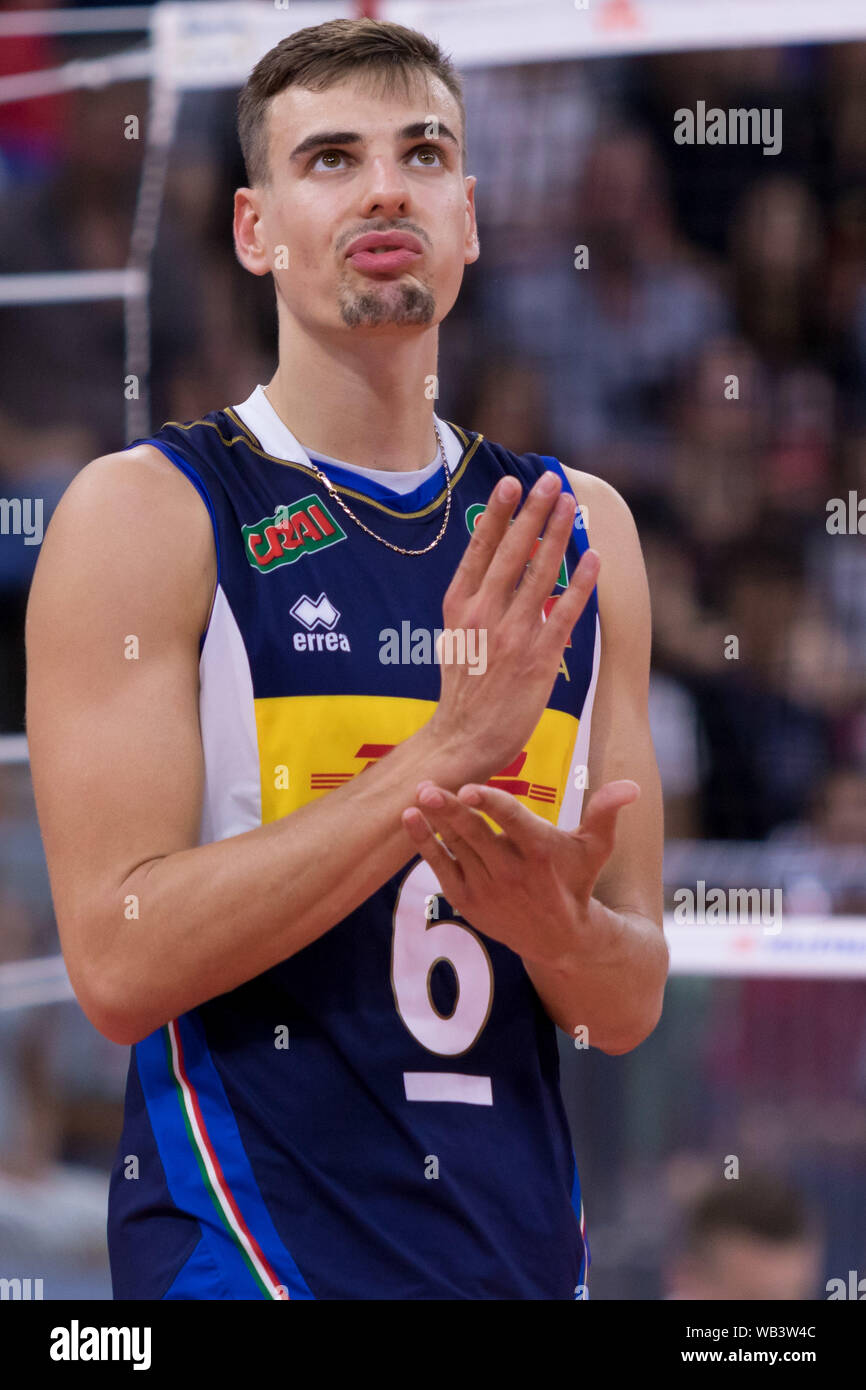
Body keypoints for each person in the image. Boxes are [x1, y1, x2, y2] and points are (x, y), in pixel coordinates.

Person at [25, 17, 667, 1300]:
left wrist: (560, 931)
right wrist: (445, 754)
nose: (385, 185)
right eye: (330, 158)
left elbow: (622, 1002)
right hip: (247, 1265)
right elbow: (114, 960)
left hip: (519, 1264)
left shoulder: (579, 526)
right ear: (255, 230)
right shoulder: (147, 513)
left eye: (422, 153)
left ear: (468, 218)